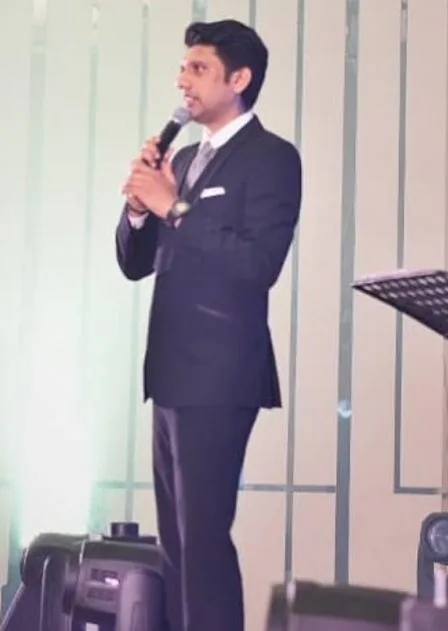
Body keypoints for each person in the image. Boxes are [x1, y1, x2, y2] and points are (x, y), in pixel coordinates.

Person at [115, 18, 302, 631]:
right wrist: (139, 212)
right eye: (183, 68)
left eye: (198, 68)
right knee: (174, 547)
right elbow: (135, 265)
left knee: (203, 542)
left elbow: (257, 265)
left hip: (220, 374)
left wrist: (174, 207)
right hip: (169, 371)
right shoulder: (187, 158)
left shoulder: (272, 158)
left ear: (239, 79)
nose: (183, 81)